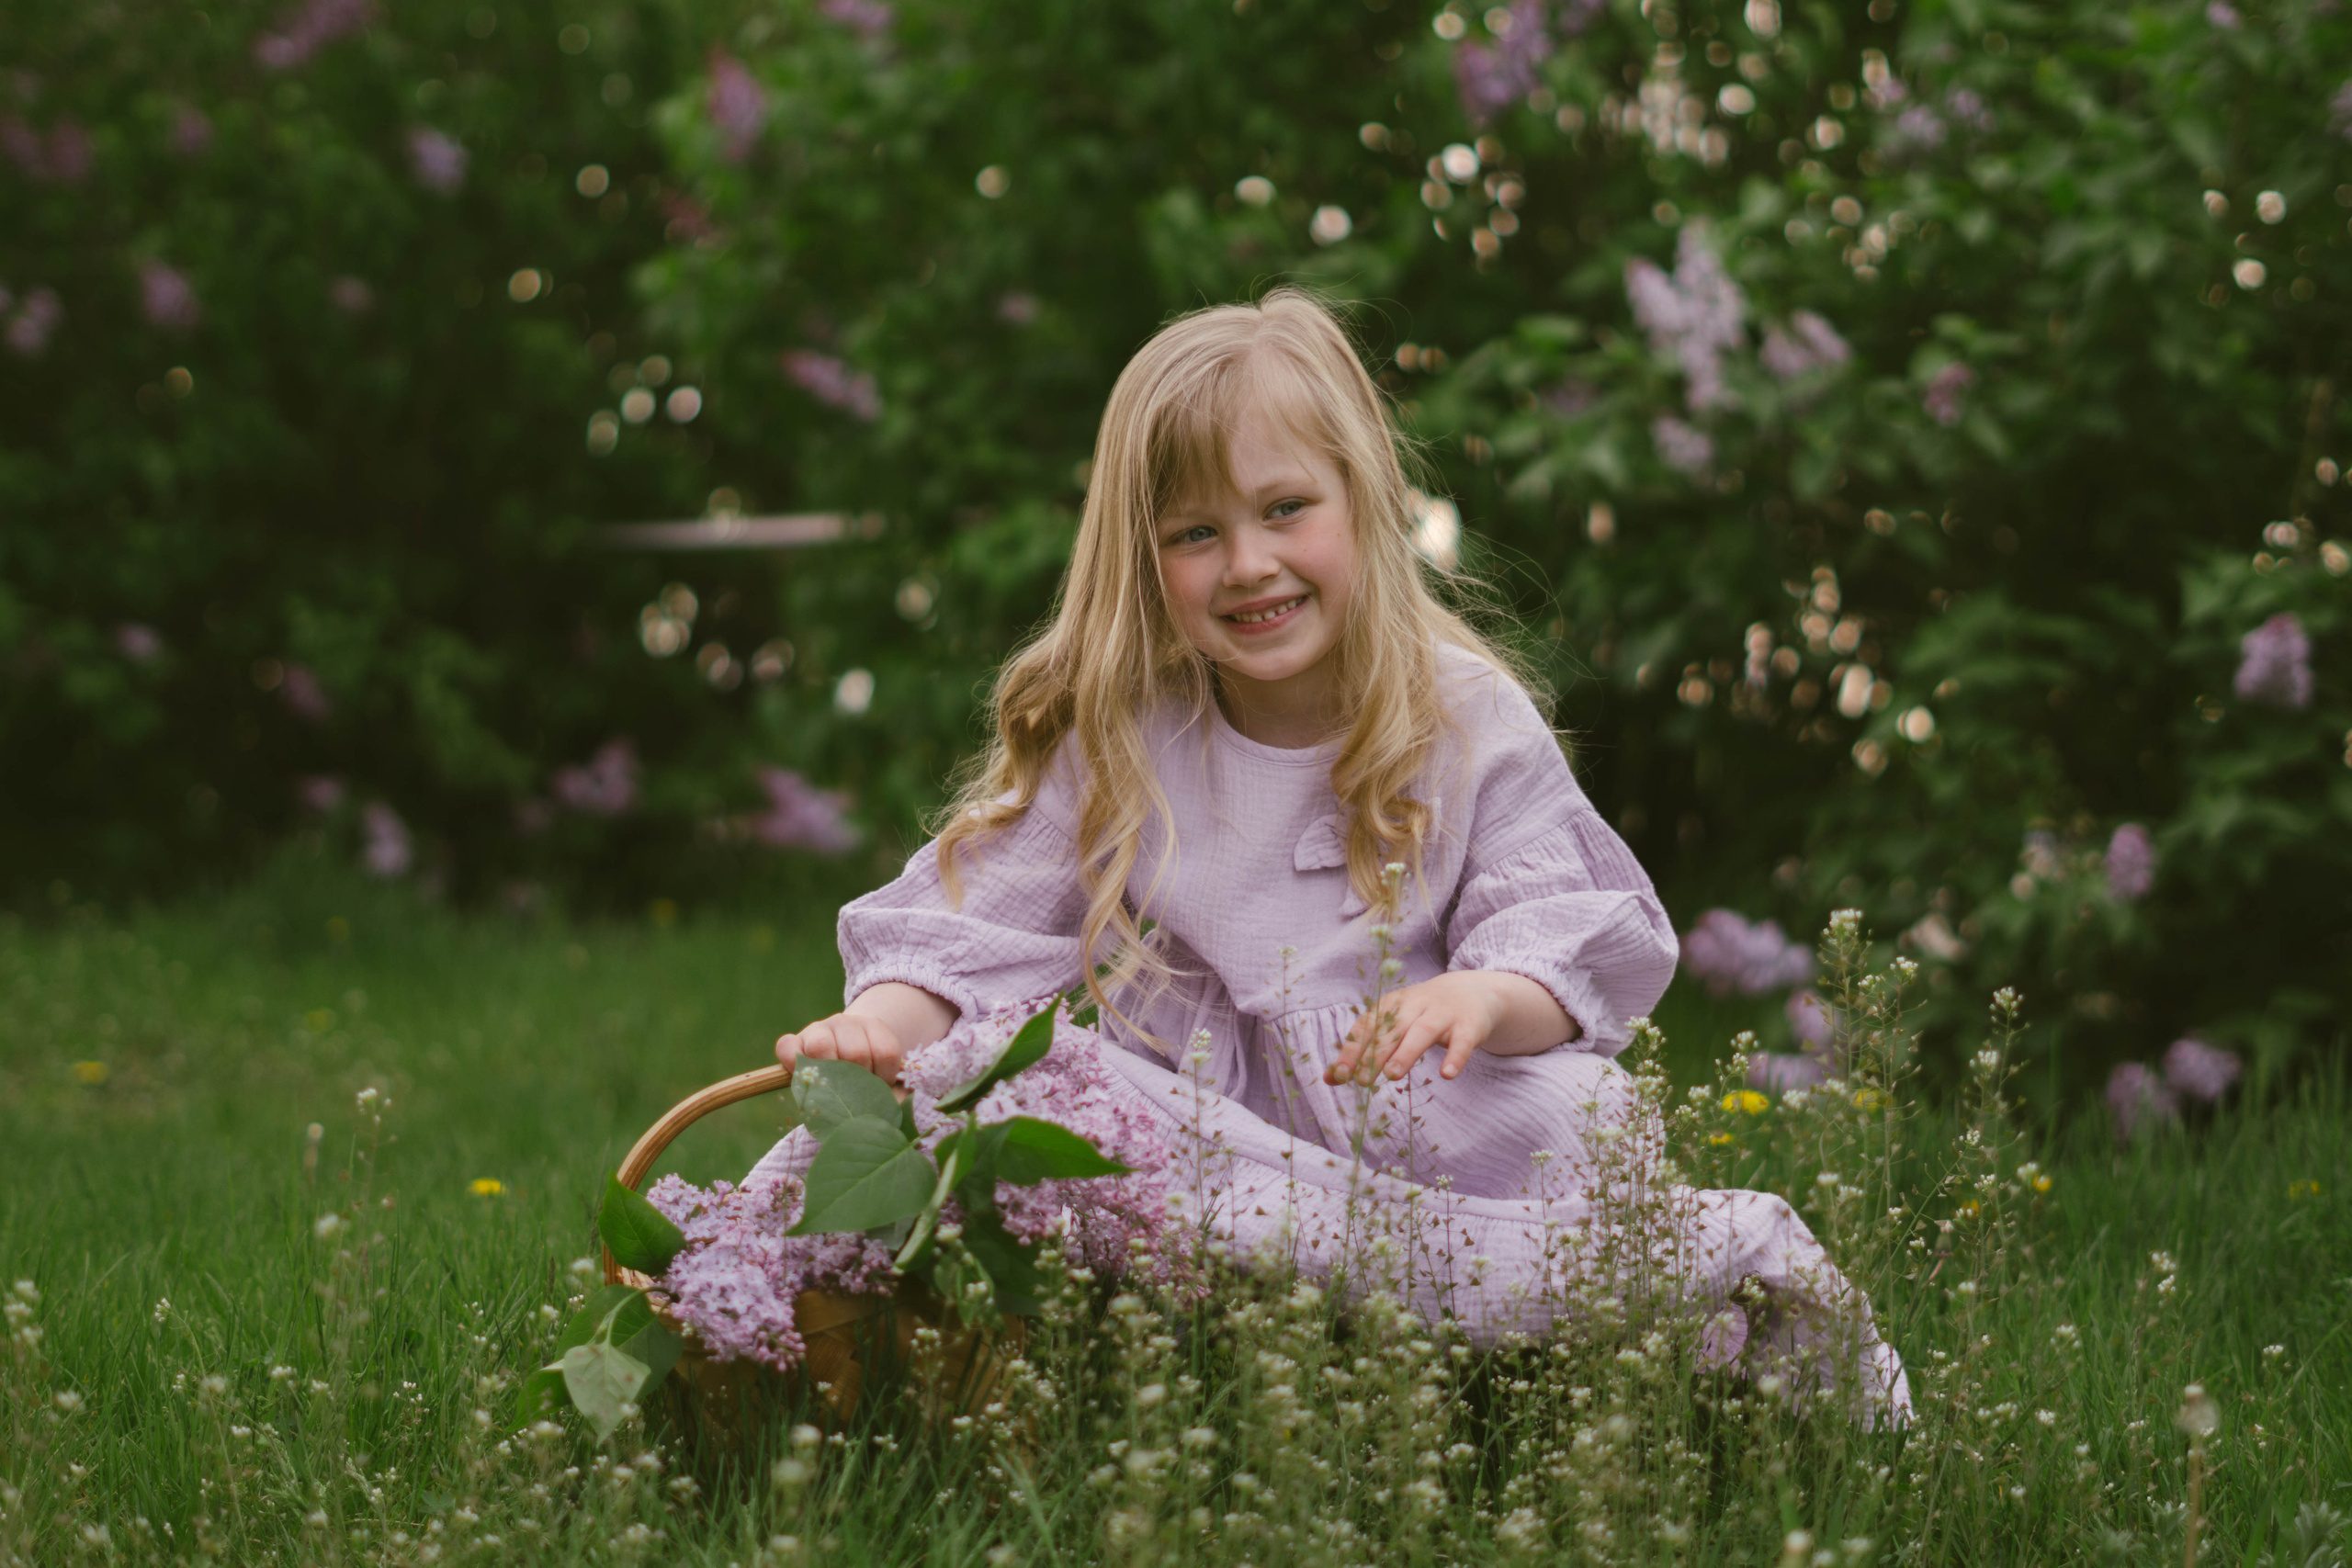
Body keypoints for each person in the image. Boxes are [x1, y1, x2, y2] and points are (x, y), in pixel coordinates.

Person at [755, 288, 1911, 1420]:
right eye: (1196, 534)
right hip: (1206, 1131)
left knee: (1585, 1122)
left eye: (1284, 509)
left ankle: (1558, 1317)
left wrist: (1484, 996)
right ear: (1143, 560)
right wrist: (886, 1030)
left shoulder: (1460, 716)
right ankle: (786, 1325)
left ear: (1362, 502)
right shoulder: (1122, 730)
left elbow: (1557, 919)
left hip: (1419, 1111)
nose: (1248, 563)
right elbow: (980, 925)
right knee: (981, 1091)